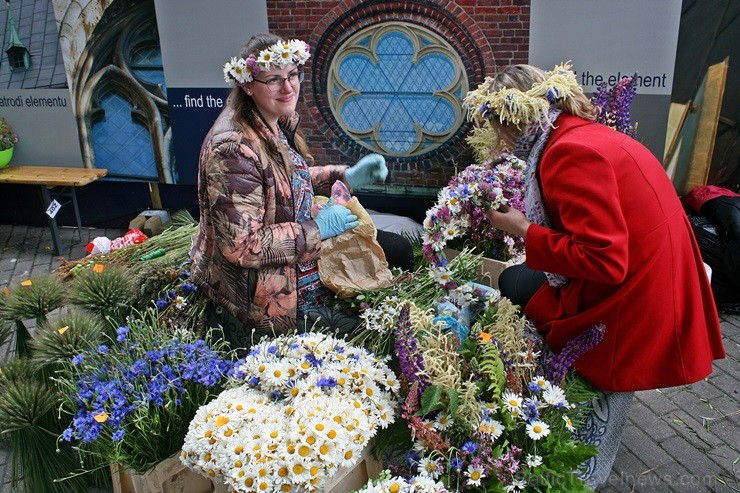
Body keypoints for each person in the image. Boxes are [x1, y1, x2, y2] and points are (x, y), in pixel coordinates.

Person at [466, 62, 726, 487]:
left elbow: (605, 260)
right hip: (651, 276)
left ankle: (581, 445)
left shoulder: (569, 153)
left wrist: (521, 228)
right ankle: (569, 409)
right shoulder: (579, 134)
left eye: (498, 128)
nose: (499, 141)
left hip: (634, 296)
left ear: (515, 120)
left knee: (519, 288)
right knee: (518, 282)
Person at [190, 33, 411, 348]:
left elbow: (287, 180)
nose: (288, 87)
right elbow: (243, 246)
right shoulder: (232, 148)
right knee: (377, 336)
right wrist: (317, 229)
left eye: (292, 75)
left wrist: (345, 175)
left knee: (399, 250)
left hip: (298, 259)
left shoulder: (274, 119)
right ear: (247, 85)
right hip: (266, 294)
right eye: (274, 80)